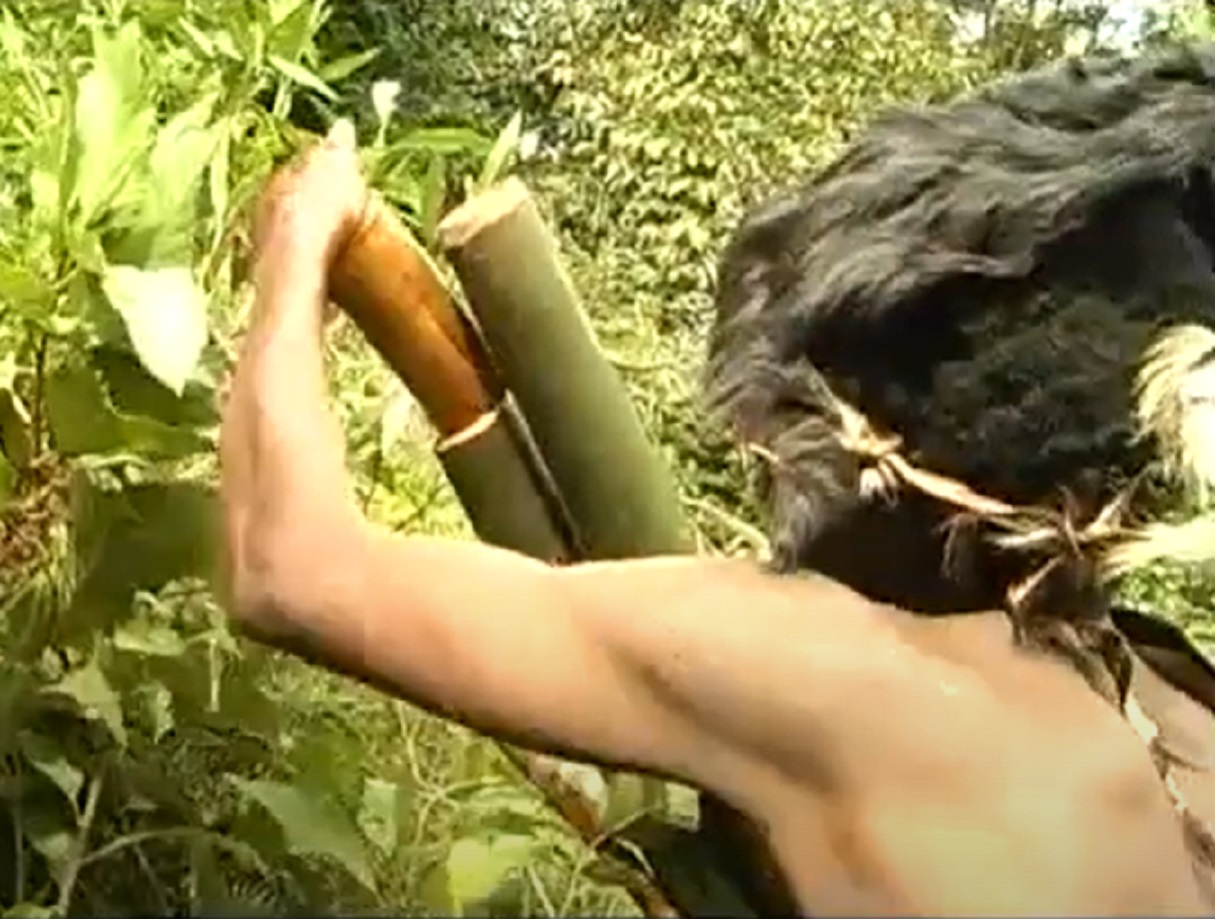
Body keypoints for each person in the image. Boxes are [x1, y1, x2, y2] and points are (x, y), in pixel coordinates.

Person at [220, 49, 1215, 917]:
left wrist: (296, 244)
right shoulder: (1175, 696)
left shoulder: (821, 678)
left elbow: (292, 566)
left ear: (870, 423)